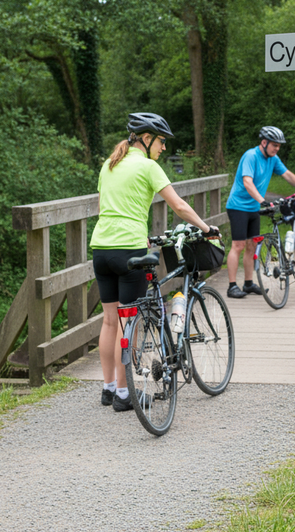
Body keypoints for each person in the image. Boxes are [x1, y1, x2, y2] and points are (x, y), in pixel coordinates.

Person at [90, 112, 219, 411]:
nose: (164, 148)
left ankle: (109, 388)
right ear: (146, 139)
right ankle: (125, 394)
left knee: (110, 320)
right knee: (128, 322)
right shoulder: (148, 167)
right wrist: (205, 228)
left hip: (101, 249)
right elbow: (179, 205)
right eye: (161, 142)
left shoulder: (109, 165)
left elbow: (103, 208)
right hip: (128, 251)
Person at [225, 126, 295, 299]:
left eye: (279, 146)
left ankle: (248, 283)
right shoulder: (251, 156)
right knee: (238, 245)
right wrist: (261, 200)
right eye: (274, 145)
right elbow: (247, 182)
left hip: (253, 209)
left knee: (252, 245)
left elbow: (287, 174)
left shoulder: (273, 159)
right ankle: (232, 286)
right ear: (264, 143)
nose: (277, 148)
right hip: (238, 206)